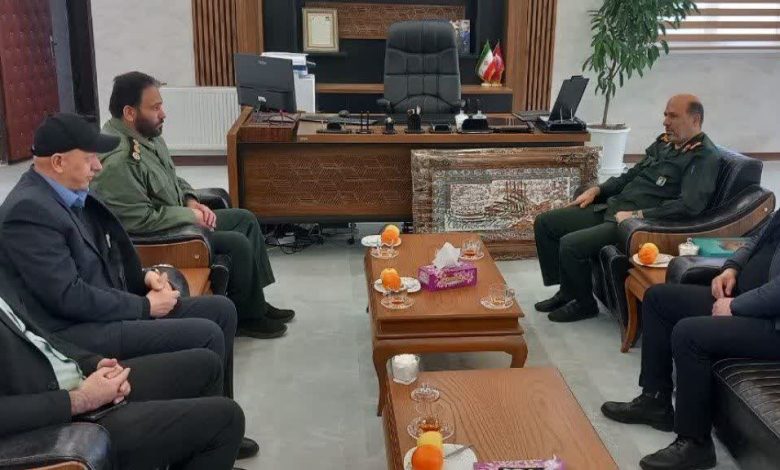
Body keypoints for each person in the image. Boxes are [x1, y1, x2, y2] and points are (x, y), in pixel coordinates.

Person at [0, 113, 258, 458]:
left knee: (221, 310)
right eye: (90, 158)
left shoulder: (68, 193)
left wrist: (145, 277)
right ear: (58, 162)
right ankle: (201, 437)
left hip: (106, 306)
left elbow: (108, 253)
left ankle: (212, 436)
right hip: (77, 328)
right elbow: (68, 297)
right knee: (206, 333)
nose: (98, 167)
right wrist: (144, 306)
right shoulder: (29, 211)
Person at [90, 71, 293, 339]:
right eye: (155, 107)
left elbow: (173, 178)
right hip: (159, 237)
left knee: (245, 219)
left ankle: (255, 302)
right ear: (129, 112)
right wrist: (189, 216)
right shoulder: (119, 160)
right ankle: (247, 318)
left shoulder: (146, 135)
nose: (163, 114)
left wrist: (191, 200)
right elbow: (137, 221)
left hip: (175, 216)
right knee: (236, 243)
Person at [0, 267, 244, 470]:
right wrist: (80, 399)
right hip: (52, 422)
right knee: (226, 419)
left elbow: (40, 335)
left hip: (75, 381)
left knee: (206, 365)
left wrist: (94, 363)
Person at [600, 211, 780, 470]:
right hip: (749, 301)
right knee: (658, 299)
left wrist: (736, 306)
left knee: (689, 334)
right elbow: (756, 240)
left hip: (772, 323)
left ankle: (695, 443)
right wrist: (731, 268)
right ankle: (655, 400)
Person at [533, 94, 721, 322]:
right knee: (545, 223)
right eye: (665, 115)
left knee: (571, 244)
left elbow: (689, 206)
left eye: (673, 116)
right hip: (614, 207)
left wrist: (637, 215)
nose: (665, 122)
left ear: (695, 119)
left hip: (636, 224)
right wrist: (598, 190)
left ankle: (585, 304)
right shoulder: (665, 144)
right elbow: (631, 175)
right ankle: (568, 291)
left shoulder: (703, 157)